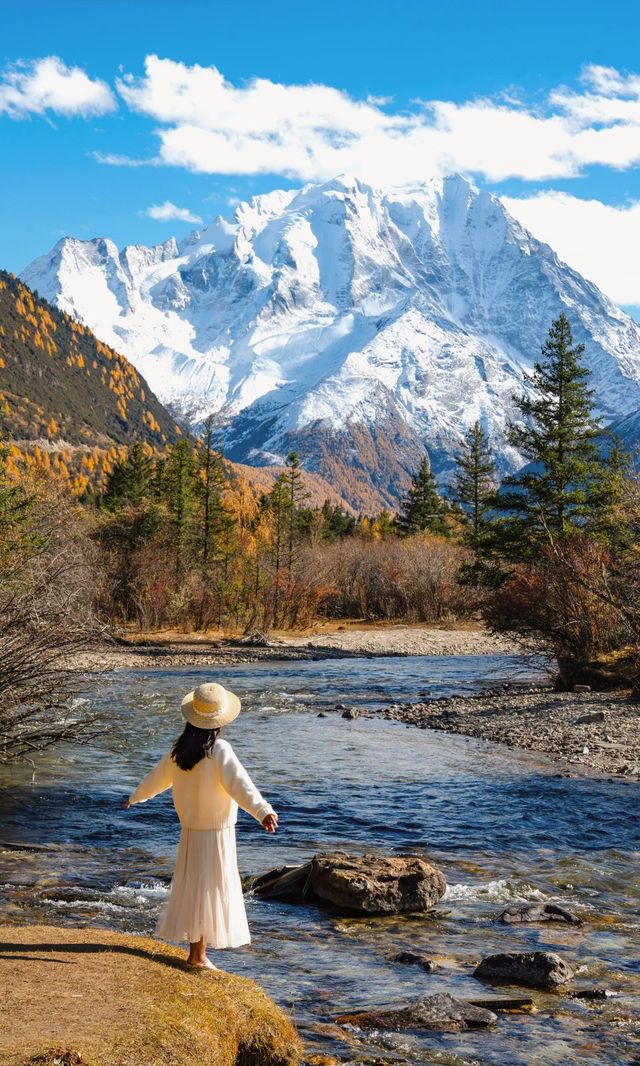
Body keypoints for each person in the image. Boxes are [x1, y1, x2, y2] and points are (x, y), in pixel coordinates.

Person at [124, 681, 278, 969]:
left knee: (194, 888)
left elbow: (155, 780)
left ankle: (197, 954)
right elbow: (241, 786)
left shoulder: (180, 750)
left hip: (191, 831)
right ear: (219, 721)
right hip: (217, 833)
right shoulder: (219, 750)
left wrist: (135, 797)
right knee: (210, 890)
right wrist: (263, 811)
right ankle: (198, 957)